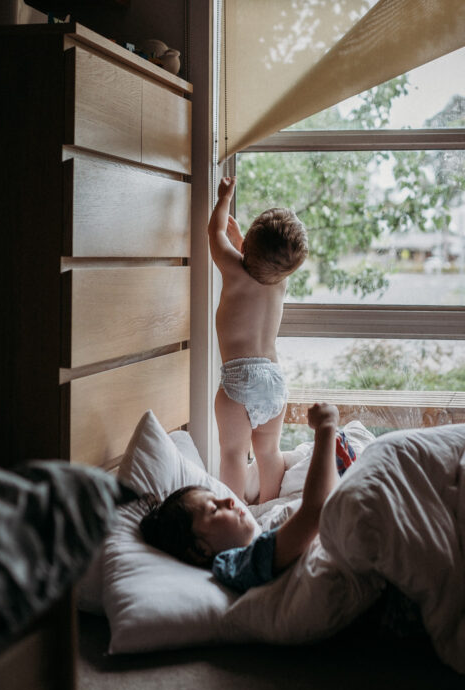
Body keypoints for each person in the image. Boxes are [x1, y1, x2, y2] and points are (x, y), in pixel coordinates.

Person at [140, 403, 341, 594]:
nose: (229, 501)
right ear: (200, 550)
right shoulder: (240, 563)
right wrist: (326, 427)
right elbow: (317, 512)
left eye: (216, 500)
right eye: (214, 509)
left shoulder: (251, 546)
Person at [208, 175, 308, 503]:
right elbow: (262, 267)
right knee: (269, 454)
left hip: (241, 380)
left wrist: (224, 197)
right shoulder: (279, 283)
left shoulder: (234, 270)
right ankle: (268, 509)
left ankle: (234, 509)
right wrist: (244, 244)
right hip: (275, 380)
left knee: (234, 455)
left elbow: (214, 233)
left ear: (247, 247)